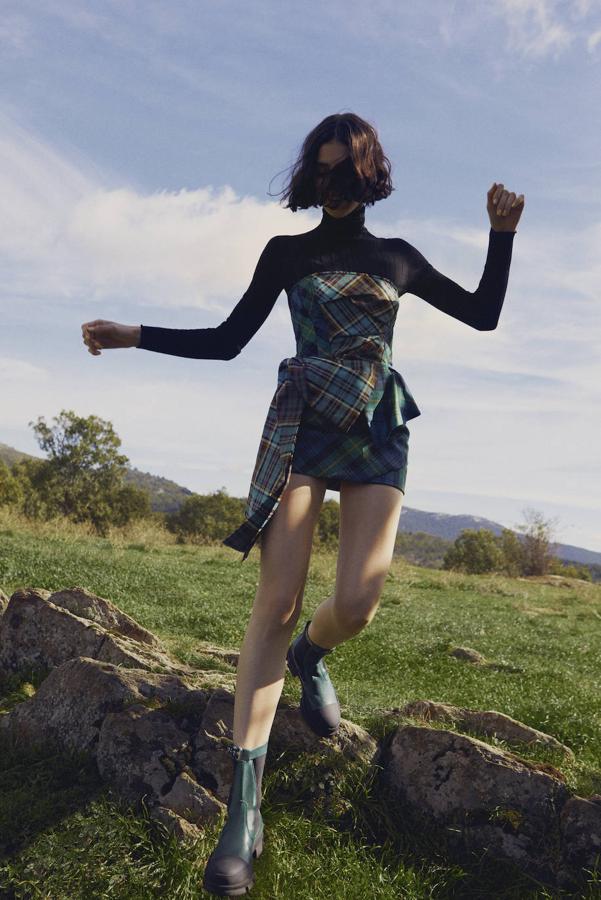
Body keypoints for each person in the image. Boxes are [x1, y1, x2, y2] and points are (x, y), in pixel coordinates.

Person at [81, 112, 524, 896]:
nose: (332, 183)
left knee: (354, 604)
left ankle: (310, 656)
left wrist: (500, 236)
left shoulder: (397, 256)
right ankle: (243, 809)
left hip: (376, 426)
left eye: (344, 170)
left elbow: (482, 314)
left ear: (368, 174)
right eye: (320, 171)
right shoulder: (287, 253)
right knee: (277, 598)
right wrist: (133, 333)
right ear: (308, 177)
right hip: (303, 418)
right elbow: (227, 340)